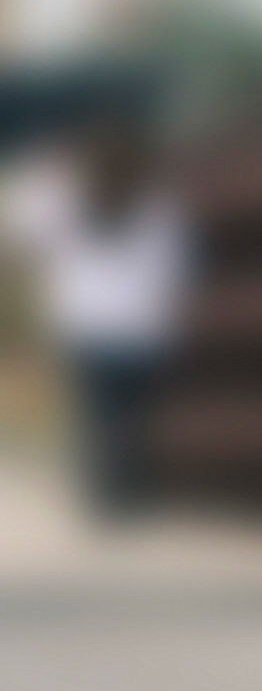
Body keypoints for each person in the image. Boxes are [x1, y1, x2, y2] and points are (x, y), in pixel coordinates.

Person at [5, 117, 190, 516]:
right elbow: (175, 265)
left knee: (101, 417)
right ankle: (127, 491)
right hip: (143, 329)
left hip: (87, 328)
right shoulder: (157, 205)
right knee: (132, 416)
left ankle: (107, 495)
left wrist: (53, 168)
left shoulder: (71, 204)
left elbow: (21, 224)